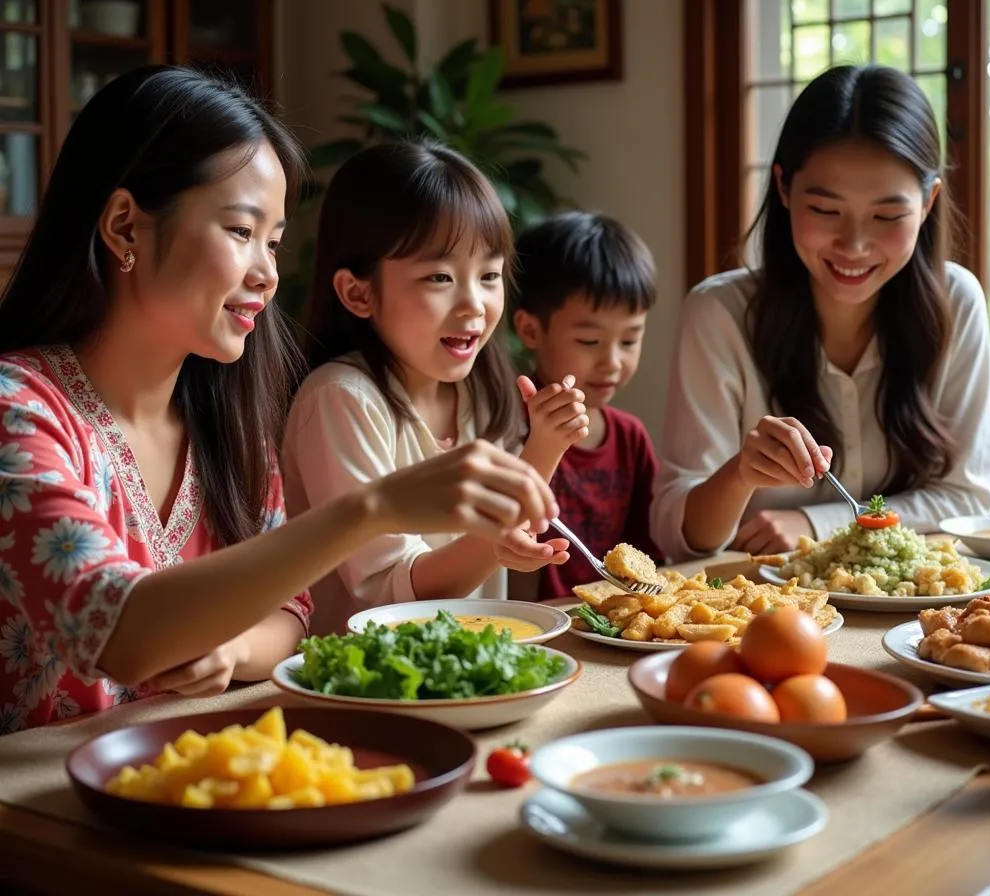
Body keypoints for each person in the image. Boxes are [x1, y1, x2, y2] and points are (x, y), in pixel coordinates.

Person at [0, 67, 560, 734]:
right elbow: (120, 634)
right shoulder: (20, 409)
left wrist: (231, 648)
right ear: (125, 226)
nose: (267, 273)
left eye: (274, 241)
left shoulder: (223, 421)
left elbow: (290, 618)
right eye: (241, 232)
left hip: (183, 781)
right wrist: (372, 508)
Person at [651, 63, 990, 559]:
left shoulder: (956, 302)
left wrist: (816, 521)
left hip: (908, 611)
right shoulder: (719, 314)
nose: (854, 244)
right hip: (761, 613)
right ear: (785, 190)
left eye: (886, 216)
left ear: (928, 203)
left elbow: (968, 498)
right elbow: (679, 537)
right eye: (826, 210)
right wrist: (741, 475)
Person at [282, 140, 585, 631]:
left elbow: (507, 528)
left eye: (489, 275)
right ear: (359, 292)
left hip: (464, 671)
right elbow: (389, 595)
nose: (475, 305)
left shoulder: (481, 391)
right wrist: (495, 542)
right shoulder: (340, 398)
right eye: (441, 277)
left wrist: (546, 445)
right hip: (358, 685)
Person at [510, 211, 661, 599]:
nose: (612, 361)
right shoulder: (505, 423)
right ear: (530, 330)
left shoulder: (629, 436)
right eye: (590, 342)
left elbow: (649, 554)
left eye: (629, 341)